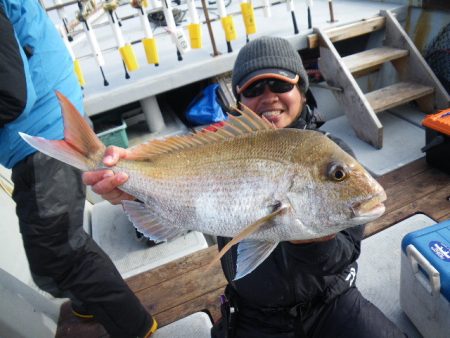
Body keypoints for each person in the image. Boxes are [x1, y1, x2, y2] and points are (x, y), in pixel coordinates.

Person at [82, 36, 406, 337]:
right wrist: (133, 189)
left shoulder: (331, 150)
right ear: (239, 100)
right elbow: (186, 211)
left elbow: (345, 254)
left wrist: (318, 238)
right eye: (253, 90)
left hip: (331, 299)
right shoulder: (219, 149)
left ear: (302, 91)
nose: (268, 98)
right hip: (255, 312)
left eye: (280, 83)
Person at [0, 1, 156, 337]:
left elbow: (12, 96)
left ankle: (137, 328)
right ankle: (89, 306)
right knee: (53, 254)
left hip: (41, 139)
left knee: (60, 255)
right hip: (50, 124)